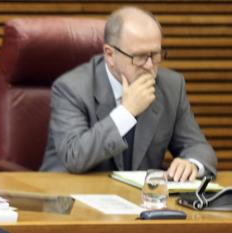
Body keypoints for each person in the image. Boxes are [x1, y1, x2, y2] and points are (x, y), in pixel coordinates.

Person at [40, 6, 217, 182]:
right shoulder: (72, 88)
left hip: (139, 202)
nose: (149, 66)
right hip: (70, 196)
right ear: (110, 55)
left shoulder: (171, 87)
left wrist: (192, 164)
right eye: (139, 57)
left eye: (155, 54)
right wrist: (127, 112)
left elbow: (198, 147)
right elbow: (74, 157)